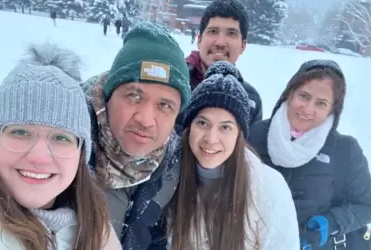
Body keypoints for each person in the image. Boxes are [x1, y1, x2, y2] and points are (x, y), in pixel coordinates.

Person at [0, 43, 122, 250]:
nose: (39, 157)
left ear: (81, 153)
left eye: (61, 137)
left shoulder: (97, 229)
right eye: (20, 132)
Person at [164, 61, 299, 250]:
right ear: (189, 127)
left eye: (225, 127)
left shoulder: (268, 188)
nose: (211, 139)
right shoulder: (169, 177)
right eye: (202, 123)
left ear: (239, 135)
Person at [80, 21, 191, 249]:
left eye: (164, 105)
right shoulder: (66, 150)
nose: (145, 120)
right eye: (134, 96)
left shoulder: (174, 165)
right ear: (108, 95)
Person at [248, 59, 371, 250]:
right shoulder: (254, 136)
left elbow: (366, 206)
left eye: (321, 103)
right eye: (304, 96)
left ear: (333, 109)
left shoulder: (345, 150)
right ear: (289, 94)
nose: (308, 109)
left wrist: (330, 223)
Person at [176, 0, 263, 135]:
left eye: (231, 33)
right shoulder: (174, 84)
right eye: (213, 31)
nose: (220, 42)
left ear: (243, 46)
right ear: (199, 40)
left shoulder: (251, 100)